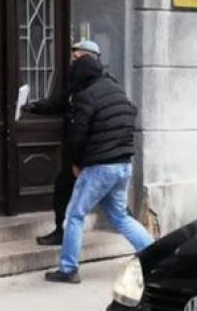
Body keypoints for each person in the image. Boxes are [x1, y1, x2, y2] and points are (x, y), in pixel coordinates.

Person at [44, 52, 154, 284]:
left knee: (74, 216)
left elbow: (77, 134)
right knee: (120, 216)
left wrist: (76, 163)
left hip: (99, 167)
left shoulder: (86, 95)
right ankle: (155, 257)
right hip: (123, 164)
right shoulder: (117, 90)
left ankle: (68, 269)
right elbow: (130, 116)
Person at [22, 40, 101, 246]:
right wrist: (33, 107)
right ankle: (62, 232)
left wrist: (78, 160)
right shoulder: (77, 85)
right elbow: (58, 103)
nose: (73, 62)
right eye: (73, 58)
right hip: (77, 151)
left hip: (90, 152)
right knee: (65, 191)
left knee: (103, 204)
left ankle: (68, 251)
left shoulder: (95, 86)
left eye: (77, 57)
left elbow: (84, 125)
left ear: (89, 58)